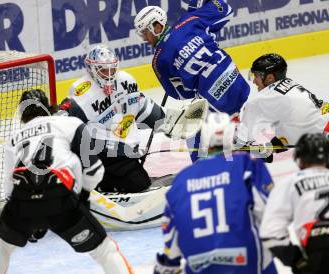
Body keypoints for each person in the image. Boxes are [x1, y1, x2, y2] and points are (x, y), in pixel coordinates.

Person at [0, 89, 133, 274]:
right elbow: (94, 170)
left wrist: (31, 218)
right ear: (49, 107)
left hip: (23, 200)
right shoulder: (70, 123)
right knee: (104, 250)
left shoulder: (14, 138)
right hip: (60, 196)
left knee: (0, 246)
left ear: (22, 113)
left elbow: (10, 190)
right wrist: (82, 197)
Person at [58, 44, 208, 193]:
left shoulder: (125, 80)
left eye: (112, 69)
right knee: (138, 183)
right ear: (91, 69)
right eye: (103, 70)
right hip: (99, 152)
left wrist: (170, 121)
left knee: (138, 180)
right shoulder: (82, 91)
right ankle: (92, 185)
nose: (109, 74)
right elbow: (62, 119)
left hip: (122, 149)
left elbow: (141, 106)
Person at [153, 112, 277, 274]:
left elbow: (171, 239)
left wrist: (168, 263)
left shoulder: (181, 180)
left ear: (204, 139)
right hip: (246, 262)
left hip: (200, 266)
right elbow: (270, 211)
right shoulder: (246, 165)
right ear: (230, 136)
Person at [134, 0, 250, 162]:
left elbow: (180, 94)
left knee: (191, 130)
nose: (145, 39)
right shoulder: (190, 21)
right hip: (238, 83)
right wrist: (199, 7)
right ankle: (234, 127)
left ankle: (203, 168)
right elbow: (225, 9)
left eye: (145, 32)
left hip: (217, 103)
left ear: (157, 26)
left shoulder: (159, 60)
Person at [236, 53, 329, 162]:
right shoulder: (290, 83)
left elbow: (244, 143)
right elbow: (296, 128)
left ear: (270, 78)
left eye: (256, 76)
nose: (254, 81)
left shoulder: (262, 99)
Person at [260, 133, 329, 274]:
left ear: (300, 159)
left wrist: (296, 260)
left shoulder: (290, 183)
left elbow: (270, 232)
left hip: (318, 251)